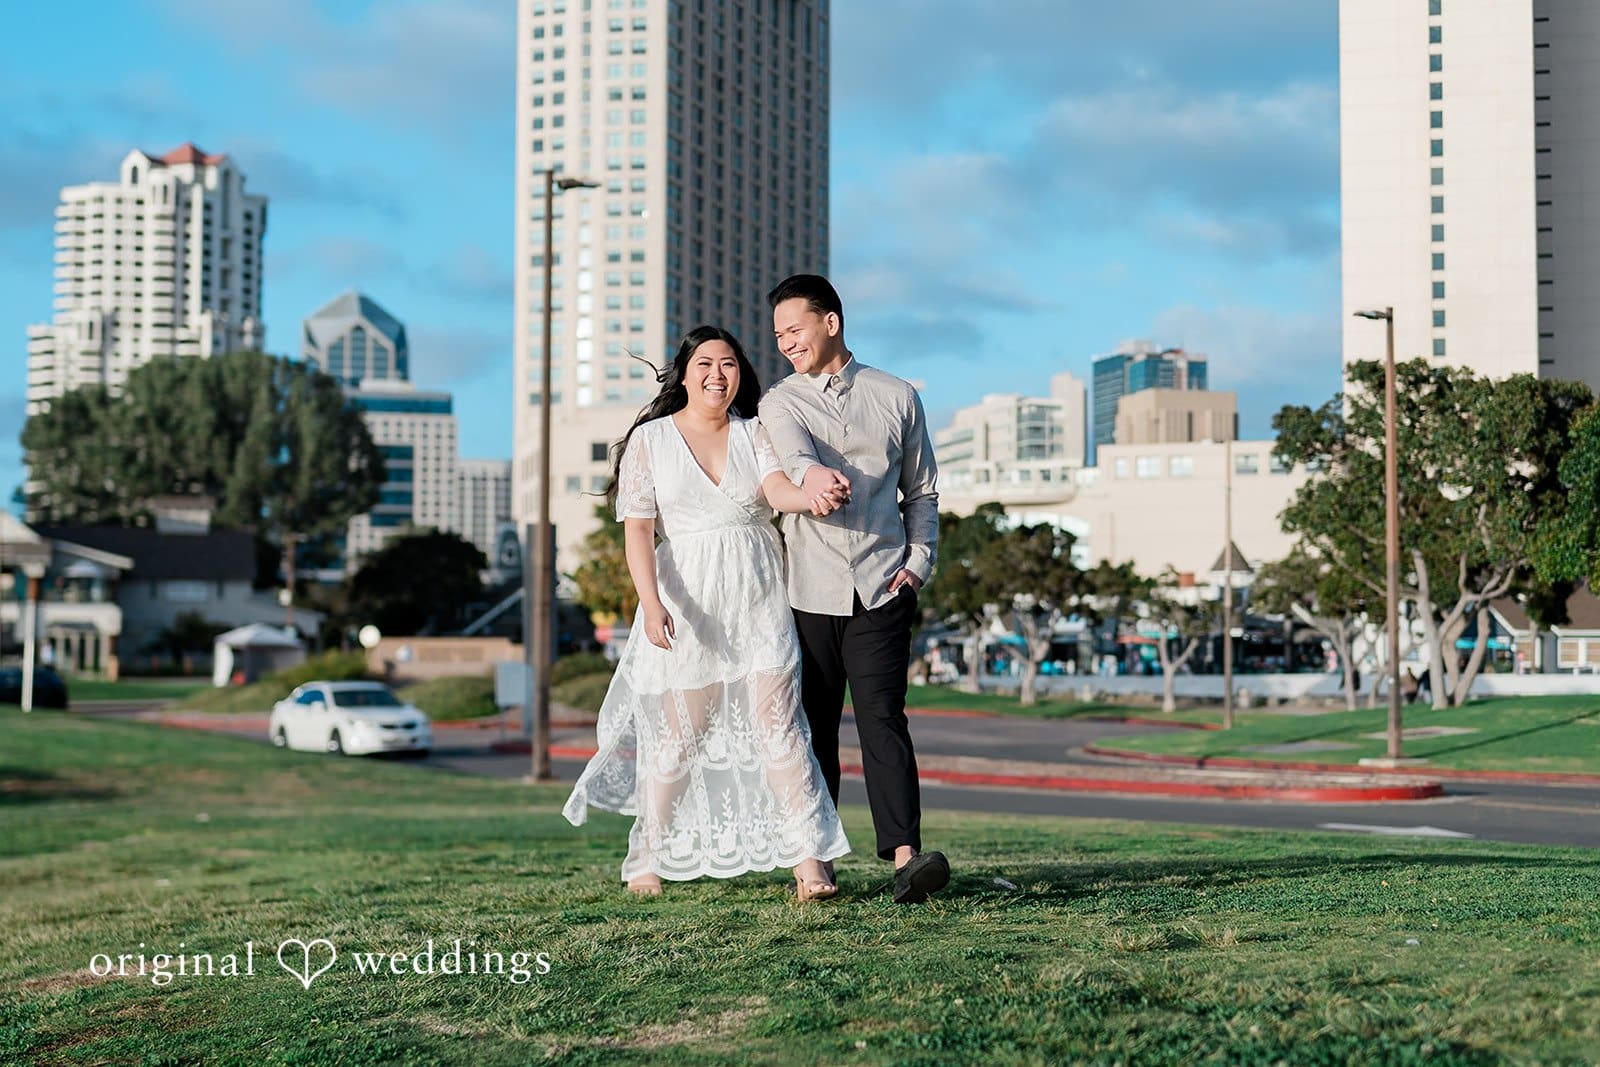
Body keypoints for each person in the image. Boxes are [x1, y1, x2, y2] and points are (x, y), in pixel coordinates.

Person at [562, 325, 851, 901]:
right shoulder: (652, 440)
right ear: (684, 373)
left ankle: (809, 865)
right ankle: (645, 858)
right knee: (682, 736)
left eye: (729, 365)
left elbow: (777, 489)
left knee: (783, 730)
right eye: (706, 364)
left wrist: (813, 497)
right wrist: (651, 604)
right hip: (687, 600)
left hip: (758, 594)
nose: (718, 375)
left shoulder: (755, 432)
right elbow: (639, 532)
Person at [758, 274, 949, 905]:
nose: (786, 342)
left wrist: (918, 563)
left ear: (830, 322)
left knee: (883, 722)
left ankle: (906, 858)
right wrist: (814, 479)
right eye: (779, 333)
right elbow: (793, 459)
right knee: (813, 729)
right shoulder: (779, 402)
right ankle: (819, 865)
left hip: (881, 586)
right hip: (806, 594)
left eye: (795, 329)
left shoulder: (897, 396)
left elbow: (921, 492)